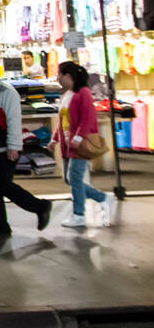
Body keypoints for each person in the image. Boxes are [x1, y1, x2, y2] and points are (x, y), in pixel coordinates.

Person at [0, 58, 52, 238]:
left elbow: (14, 121)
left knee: (4, 186)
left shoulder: (8, 93)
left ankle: (40, 206)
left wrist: (14, 147)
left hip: (4, 149)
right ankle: (0, 226)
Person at [54, 61, 117, 228]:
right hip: (68, 144)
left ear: (68, 76)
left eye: (59, 74)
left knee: (74, 178)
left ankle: (79, 214)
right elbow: (63, 120)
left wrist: (79, 137)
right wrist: (55, 138)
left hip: (79, 144)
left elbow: (88, 117)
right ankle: (102, 198)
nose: (57, 78)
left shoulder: (83, 92)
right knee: (70, 179)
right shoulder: (67, 94)